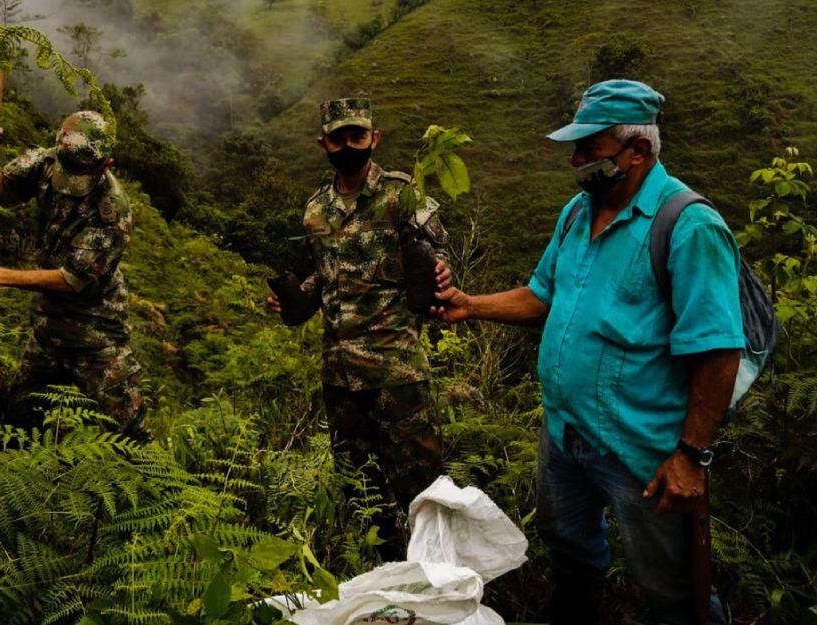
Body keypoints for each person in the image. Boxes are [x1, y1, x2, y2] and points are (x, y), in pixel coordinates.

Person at [432, 80, 742, 624]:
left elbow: (718, 349)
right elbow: (540, 296)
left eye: (588, 149)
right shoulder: (579, 211)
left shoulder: (688, 226)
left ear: (638, 151)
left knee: (673, 590)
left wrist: (691, 457)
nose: (575, 160)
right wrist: (468, 305)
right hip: (565, 432)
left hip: (640, 452)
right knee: (571, 552)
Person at [267, 98, 454, 560]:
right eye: (338, 138)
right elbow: (324, 273)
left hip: (397, 374)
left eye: (357, 136)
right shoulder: (315, 210)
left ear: (375, 138)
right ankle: (385, 586)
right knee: (362, 495)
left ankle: (441, 585)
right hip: (340, 378)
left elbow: (441, 258)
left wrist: (444, 272)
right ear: (323, 143)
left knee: (423, 493)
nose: (348, 145)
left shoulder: (403, 195)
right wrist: (295, 297)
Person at [0, 110, 142, 432]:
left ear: (107, 165)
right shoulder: (46, 162)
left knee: (126, 431)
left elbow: (72, 279)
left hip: (97, 332)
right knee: (21, 414)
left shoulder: (112, 212)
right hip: (49, 325)